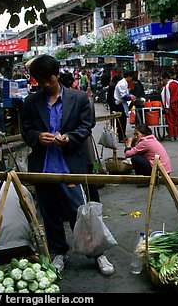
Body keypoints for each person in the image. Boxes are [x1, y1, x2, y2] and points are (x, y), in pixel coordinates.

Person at [21, 54, 114, 276]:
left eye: (48, 80)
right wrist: (37, 137)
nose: (44, 85)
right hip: (44, 167)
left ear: (57, 76)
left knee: (81, 212)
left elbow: (86, 126)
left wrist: (69, 138)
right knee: (50, 213)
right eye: (39, 81)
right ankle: (58, 252)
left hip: (70, 165)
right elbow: (26, 131)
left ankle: (97, 253)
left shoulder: (79, 98)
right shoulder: (31, 102)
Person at [161, 71, 178, 141]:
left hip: (170, 104)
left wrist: (166, 107)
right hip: (176, 103)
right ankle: (176, 135)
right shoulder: (176, 83)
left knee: (169, 120)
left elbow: (166, 97)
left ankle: (171, 135)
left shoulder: (167, 86)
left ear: (165, 78)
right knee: (176, 120)